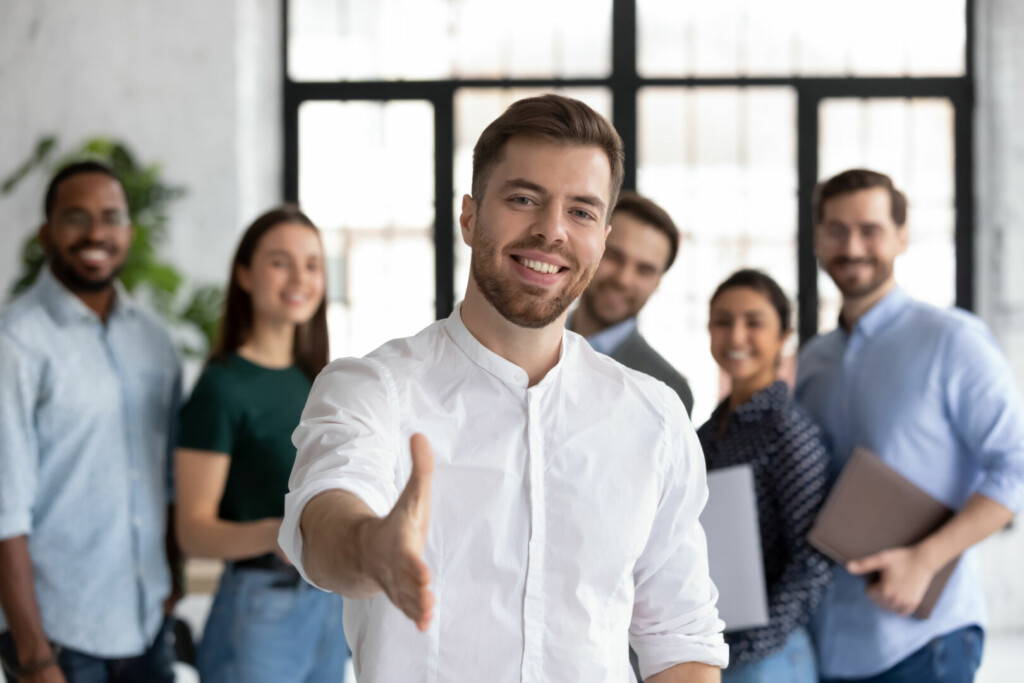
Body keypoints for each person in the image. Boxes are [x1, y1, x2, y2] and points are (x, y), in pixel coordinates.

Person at [280, 94, 728, 682]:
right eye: (523, 199)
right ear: (470, 217)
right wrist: (372, 549)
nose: (551, 232)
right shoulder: (372, 389)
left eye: (582, 212)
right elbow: (323, 521)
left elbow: (681, 636)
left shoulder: (654, 417)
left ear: (602, 236)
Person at [796, 169, 1024, 683]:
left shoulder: (953, 341)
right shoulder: (814, 361)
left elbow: (1013, 467)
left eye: (870, 229)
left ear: (902, 235)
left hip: (925, 639)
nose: (853, 246)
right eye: (836, 230)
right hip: (830, 641)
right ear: (818, 238)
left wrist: (925, 560)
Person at [0, 161, 180, 682]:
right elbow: (4, 511)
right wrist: (34, 657)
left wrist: (171, 590)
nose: (96, 233)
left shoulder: (154, 340)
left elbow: (167, 480)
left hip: (148, 628)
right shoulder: (16, 342)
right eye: (76, 218)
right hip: (60, 639)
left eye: (110, 217)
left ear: (129, 231)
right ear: (47, 233)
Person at [174, 206, 348, 682]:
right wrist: (279, 532)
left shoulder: (320, 381)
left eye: (312, 264)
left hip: (328, 602)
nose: (299, 277)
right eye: (280, 261)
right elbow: (193, 531)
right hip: (261, 607)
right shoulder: (222, 388)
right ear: (245, 275)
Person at [696, 269, 832, 683]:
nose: (736, 337)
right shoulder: (705, 433)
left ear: (783, 335)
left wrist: (752, 646)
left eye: (753, 323)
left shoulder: (788, 429)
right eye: (723, 321)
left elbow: (814, 560)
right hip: (712, 645)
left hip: (767, 659)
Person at [570, 191, 695, 414]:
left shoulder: (668, 392)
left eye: (644, 270)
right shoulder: (528, 343)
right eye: (614, 256)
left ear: (657, 283)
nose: (623, 279)